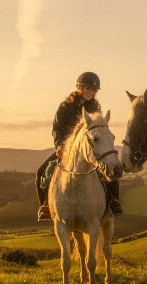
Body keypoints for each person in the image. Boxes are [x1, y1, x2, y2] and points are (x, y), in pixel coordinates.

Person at [35, 72, 124, 221]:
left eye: (94, 90)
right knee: (40, 172)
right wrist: (59, 145)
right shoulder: (65, 107)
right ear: (80, 87)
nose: (91, 92)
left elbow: (99, 131)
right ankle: (46, 207)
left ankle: (114, 201)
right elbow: (57, 128)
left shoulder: (94, 108)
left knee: (109, 168)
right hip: (66, 148)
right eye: (88, 88)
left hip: (88, 150)